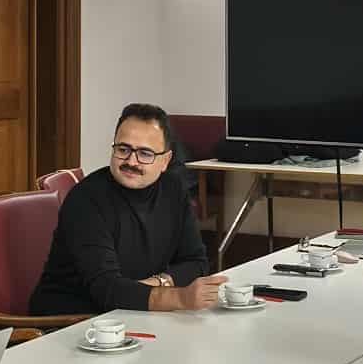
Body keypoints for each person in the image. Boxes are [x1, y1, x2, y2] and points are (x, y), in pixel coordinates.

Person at [30, 103, 225, 316]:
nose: (131, 161)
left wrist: (156, 284)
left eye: (145, 154)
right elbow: (106, 290)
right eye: (123, 150)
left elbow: (196, 263)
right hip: (72, 321)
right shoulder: (86, 199)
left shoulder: (173, 189)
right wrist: (178, 297)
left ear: (165, 160)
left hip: (133, 311)